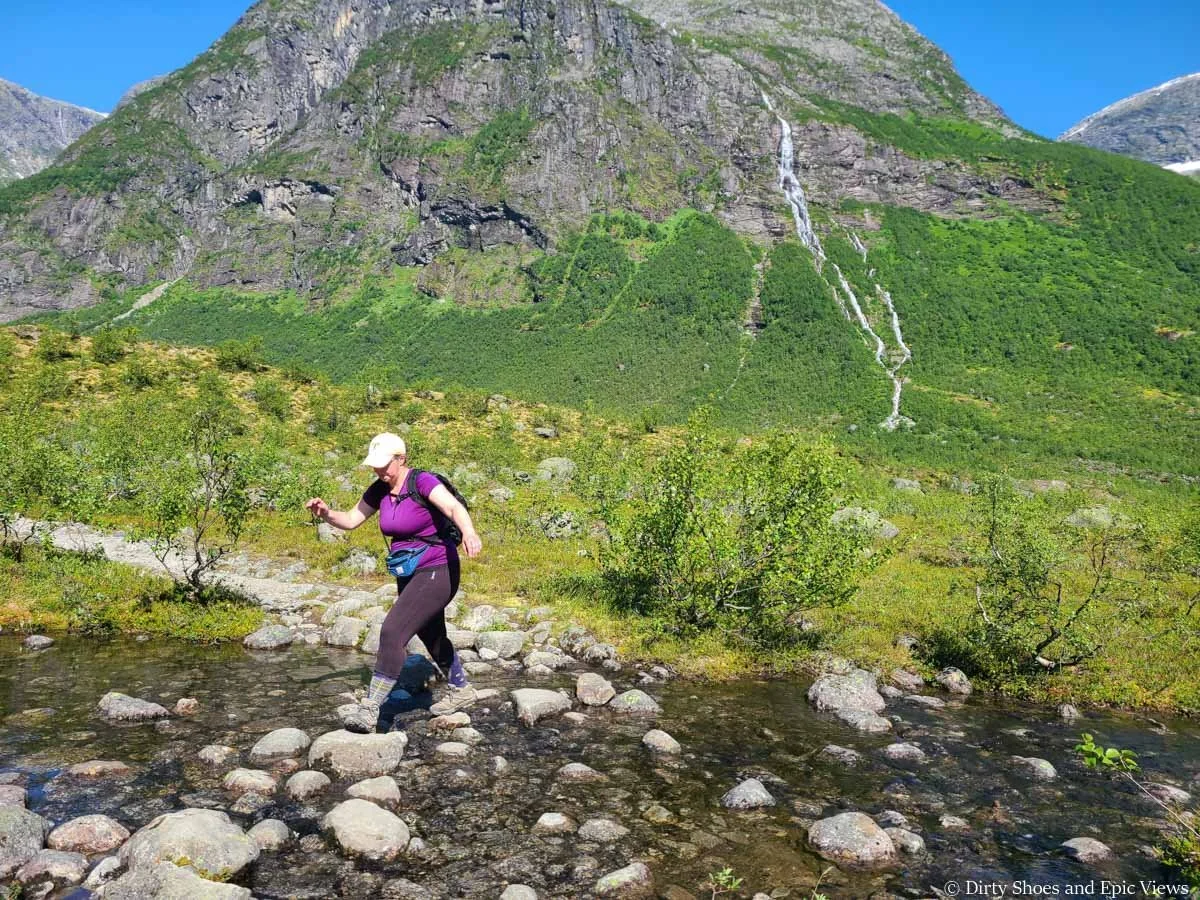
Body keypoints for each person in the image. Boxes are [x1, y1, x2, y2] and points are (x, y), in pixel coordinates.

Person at [305, 432, 482, 733]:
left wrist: (469, 532)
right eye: (375, 465)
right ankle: (462, 688)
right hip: (408, 571)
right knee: (431, 633)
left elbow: (453, 508)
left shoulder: (422, 481)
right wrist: (325, 514)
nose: (379, 471)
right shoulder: (379, 489)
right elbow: (350, 520)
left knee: (392, 632)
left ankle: (370, 708)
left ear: (400, 459)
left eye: (384, 465)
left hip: (438, 568)